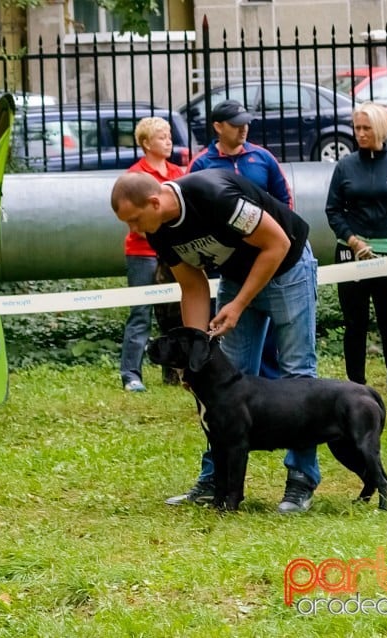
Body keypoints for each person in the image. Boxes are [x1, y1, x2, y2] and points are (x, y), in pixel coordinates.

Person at [110, 168, 320, 513]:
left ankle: (300, 480)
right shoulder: (159, 232)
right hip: (239, 277)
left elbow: (277, 243)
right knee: (222, 381)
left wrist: (238, 305)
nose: (133, 231)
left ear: (153, 201)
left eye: (134, 220)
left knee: (297, 372)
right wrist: (196, 361)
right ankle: (215, 481)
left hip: (287, 267)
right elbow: (192, 286)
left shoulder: (213, 195)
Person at [325, 101, 387, 403]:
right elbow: (333, 209)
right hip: (350, 254)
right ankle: (355, 385)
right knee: (355, 322)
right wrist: (352, 240)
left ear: (381, 128)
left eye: (367, 128)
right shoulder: (344, 165)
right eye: (357, 128)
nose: (361, 133)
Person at [189, 98, 292, 379]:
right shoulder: (201, 164)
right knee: (241, 328)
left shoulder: (263, 158)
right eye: (236, 125)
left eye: (245, 123)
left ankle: (270, 385)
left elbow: (284, 201)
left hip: (270, 253)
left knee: (271, 325)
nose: (243, 129)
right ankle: (238, 387)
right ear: (218, 127)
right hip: (234, 264)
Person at [120, 116, 186, 392]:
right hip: (143, 252)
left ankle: (176, 372)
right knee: (141, 312)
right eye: (161, 136)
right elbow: (132, 218)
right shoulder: (134, 177)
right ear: (146, 143)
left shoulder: (179, 173)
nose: (168, 140)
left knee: (176, 312)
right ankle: (131, 375)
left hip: (174, 252)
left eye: (169, 135)